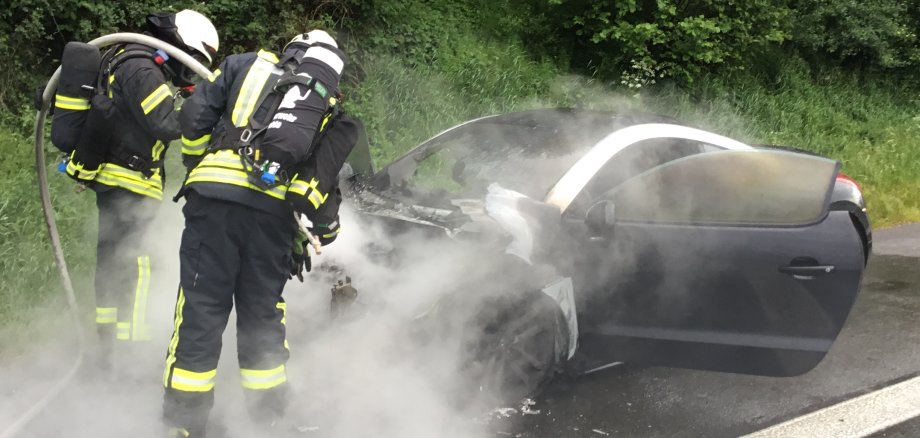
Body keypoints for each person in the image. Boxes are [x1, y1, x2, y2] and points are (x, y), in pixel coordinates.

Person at [162, 30, 359, 436]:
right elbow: (323, 179)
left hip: (213, 203)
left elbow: (194, 118)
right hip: (273, 216)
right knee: (262, 315)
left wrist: (200, 163)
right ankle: (269, 419)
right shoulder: (322, 100)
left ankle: (185, 425)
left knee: (201, 309)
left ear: (290, 48)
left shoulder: (244, 64)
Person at [52, 10, 219, 370]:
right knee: (140, 260)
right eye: (193, 62)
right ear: (183, 47)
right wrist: (202, 106)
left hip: (116, 178)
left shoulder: (128, 59)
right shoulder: (143, 69)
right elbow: (165, 122)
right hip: (131, 179)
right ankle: (133, 349)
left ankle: (109, 348)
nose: (190, 72)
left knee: (112, 260)